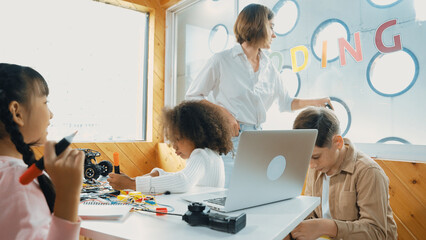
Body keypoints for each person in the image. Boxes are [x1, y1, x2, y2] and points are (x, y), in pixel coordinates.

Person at [185, 3, 333, 186]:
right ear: (258, 25)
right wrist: (225, 114)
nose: (274, 34)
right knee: (226, 195)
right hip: (229, 140)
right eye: (271, 27)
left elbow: (287, 102)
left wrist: (319, 101)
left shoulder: (269, 67)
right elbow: (192, 97)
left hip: (257, 139)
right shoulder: (221, 61)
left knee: (251, 196)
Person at [0, 63, 85, 239]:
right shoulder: (19, 183)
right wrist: (68, 194)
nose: (51, 114)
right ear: (17, 113)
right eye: (45, 102)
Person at [287, 107, 397, 240]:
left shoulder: (368, 172)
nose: (311, 165)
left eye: (316, 157)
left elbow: (376, 233)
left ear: (338, 142)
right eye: (306, 157)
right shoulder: (317, 167)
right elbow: (312, 216)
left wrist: (326, 226)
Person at [107, 100, 233, 193]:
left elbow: (183, 181)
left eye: (178, 139)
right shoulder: (211, 155)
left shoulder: (201, 154)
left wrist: (132, 184)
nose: (174, 147)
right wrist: (158, 174)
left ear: (196, 134)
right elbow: (183, 178)